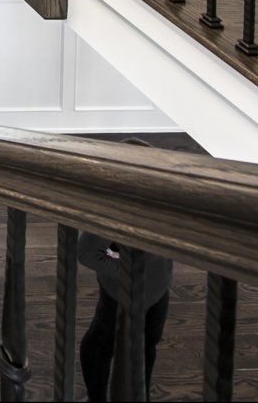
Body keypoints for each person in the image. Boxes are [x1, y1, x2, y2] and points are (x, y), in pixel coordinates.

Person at [77, 142, 174, 401]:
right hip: (120, 294)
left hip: (157, 290)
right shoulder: (116, 211)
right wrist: (127, 270)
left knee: (147, 346)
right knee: (100, 345)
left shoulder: (166, 207)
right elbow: (86, 252)